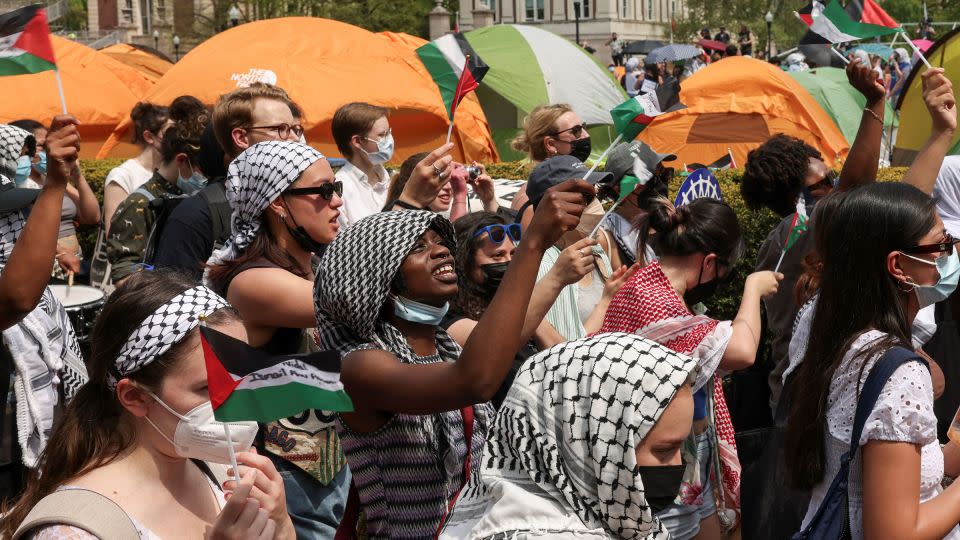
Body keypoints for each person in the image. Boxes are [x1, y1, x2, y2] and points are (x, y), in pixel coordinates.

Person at [314, 179, 594, 538]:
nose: (442, 251)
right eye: (417, 247)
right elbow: (473, 381)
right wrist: (533, 242)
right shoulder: (360, 367)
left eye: (441, 242)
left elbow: (492, 352)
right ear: (375, 280)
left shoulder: (447, 347)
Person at [0, 270, 295, 539]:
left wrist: (280, 524)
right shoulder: (72, 531)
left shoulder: (218, 473)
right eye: (207, 387)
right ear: (136, 397)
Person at [784, 182, 960, 539]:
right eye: (942, 244)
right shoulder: (898, 370)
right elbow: (895, 533)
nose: (951, 253)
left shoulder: (840, 335)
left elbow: (882, 473)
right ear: (898, 266)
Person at [599, 195, 781, 539]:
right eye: (725, 268)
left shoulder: (649, 282)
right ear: (710, 261)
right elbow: (742, 351)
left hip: (683, 450)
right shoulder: (656, 299)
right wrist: (752, 290)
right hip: (665, 457)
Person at [205, 140, 348, 537]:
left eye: (337, 188)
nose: (336, 201)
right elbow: (358, 303)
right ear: (279, 205)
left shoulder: (313, 266)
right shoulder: (253, 281)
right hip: (287, 481)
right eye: (322, 191)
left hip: (331, 465)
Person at [439, 333, 697, 539]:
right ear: (592, 444)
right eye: (663, 451)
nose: (677, 465)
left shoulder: (603, 515)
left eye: (681, 450)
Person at [741, 58, 888, 412]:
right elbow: (856, 188)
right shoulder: (798, 231)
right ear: (795, 197)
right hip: (805, 399)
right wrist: (874, 102)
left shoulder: (790, 235)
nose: (834, 185)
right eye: (822, 184)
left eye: (831, 176)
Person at [0, 117, 89, 504]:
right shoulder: (20, 301)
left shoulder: (44, 304)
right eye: (5, 221)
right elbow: (15, 299)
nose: (16, 228)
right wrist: (54, 184)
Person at [153, 84, 302, 282]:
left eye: (295, 129)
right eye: (280, 129)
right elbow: (171, 299)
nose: (293, 139)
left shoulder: (304, 200)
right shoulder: (196, 215)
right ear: (241, 137)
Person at [443, 211, 591, 407]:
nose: (508, 262)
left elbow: (565, 354)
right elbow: (497, 343)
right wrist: (556, 277)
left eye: (513, 254)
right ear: (465, 262)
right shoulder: (451, 318)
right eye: (497, 256)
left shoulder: (518, 305)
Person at [516, 155, 637, 341]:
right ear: (552, 207)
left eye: (595, 195)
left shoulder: (595, 251)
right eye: (586, 199)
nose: (597, 206)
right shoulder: (542, 265)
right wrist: (606, 302)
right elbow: (562, 352)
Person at [107, 96, 209, 285]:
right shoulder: (139, 203)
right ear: (181, 161)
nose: (204, 176)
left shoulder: (191, 198)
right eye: (201, 168)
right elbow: (124, 277)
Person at [10, 119, 99, 281]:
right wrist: (60, 252)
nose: (47, 151)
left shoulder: (52, 177)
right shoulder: (15, 185)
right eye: (41, 145)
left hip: (74, 263)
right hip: (47, 265)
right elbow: (25, 228)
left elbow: (93, 216)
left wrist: (76, 175)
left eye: (49, 146)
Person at [597, 140, 676, 269]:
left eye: (664, 174)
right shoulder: (607, 240)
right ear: (620, 189)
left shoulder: (670, 226)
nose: (660, 184)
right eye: (649, 179)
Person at [509, 103, 592, 212]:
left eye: (584, 127)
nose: (586, 135)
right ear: (551, 144)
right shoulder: (534, 201)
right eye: (576, 130)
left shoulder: (562, 187)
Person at [332, 102, 394, 228]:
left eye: (389, 132)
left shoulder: (392, 179)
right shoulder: (340, 191)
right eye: (382, 135)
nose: (390, 140)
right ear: (357, 141)